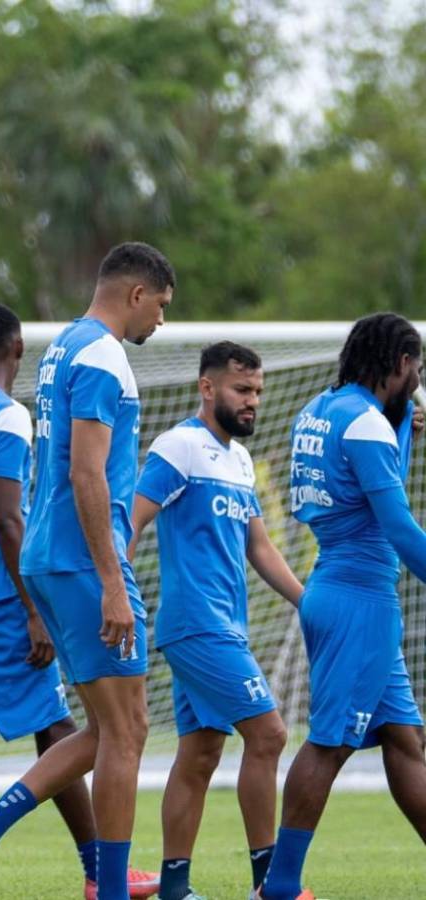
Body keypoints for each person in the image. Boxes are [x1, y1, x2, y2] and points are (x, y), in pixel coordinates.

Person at [0, 242, 174, 900]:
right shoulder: (103, 357)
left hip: (50, 557)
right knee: (129, 731)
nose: (161, 320)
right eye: (161, 305)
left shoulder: (64, 348)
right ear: (136, 294)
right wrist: (111, 581)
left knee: (102, 731)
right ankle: (107, 885)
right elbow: (85, 472)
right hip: (80, 562)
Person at [258, 313, 426, 900]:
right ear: (402, 364)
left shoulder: (320, 411)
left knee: (405, 738)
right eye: (418, 370)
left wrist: (404, 425)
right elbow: (400, 527)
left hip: (337, 585)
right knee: (329, 743)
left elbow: (374, 480)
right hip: (360, 600)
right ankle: (279, 887)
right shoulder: (366, 425)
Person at [129, 342, 303, 900]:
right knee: (270, 734)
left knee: (201, 752)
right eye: (241, 390)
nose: (252, 401)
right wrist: (116, 590)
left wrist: (307, 601)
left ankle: (174, 888)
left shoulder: (241, 460)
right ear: (208, 388)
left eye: (256, 391)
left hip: (225, 624)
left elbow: (259, 545)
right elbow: (129, 521)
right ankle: (269, 884)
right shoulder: (179, 445)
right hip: (196, 624)